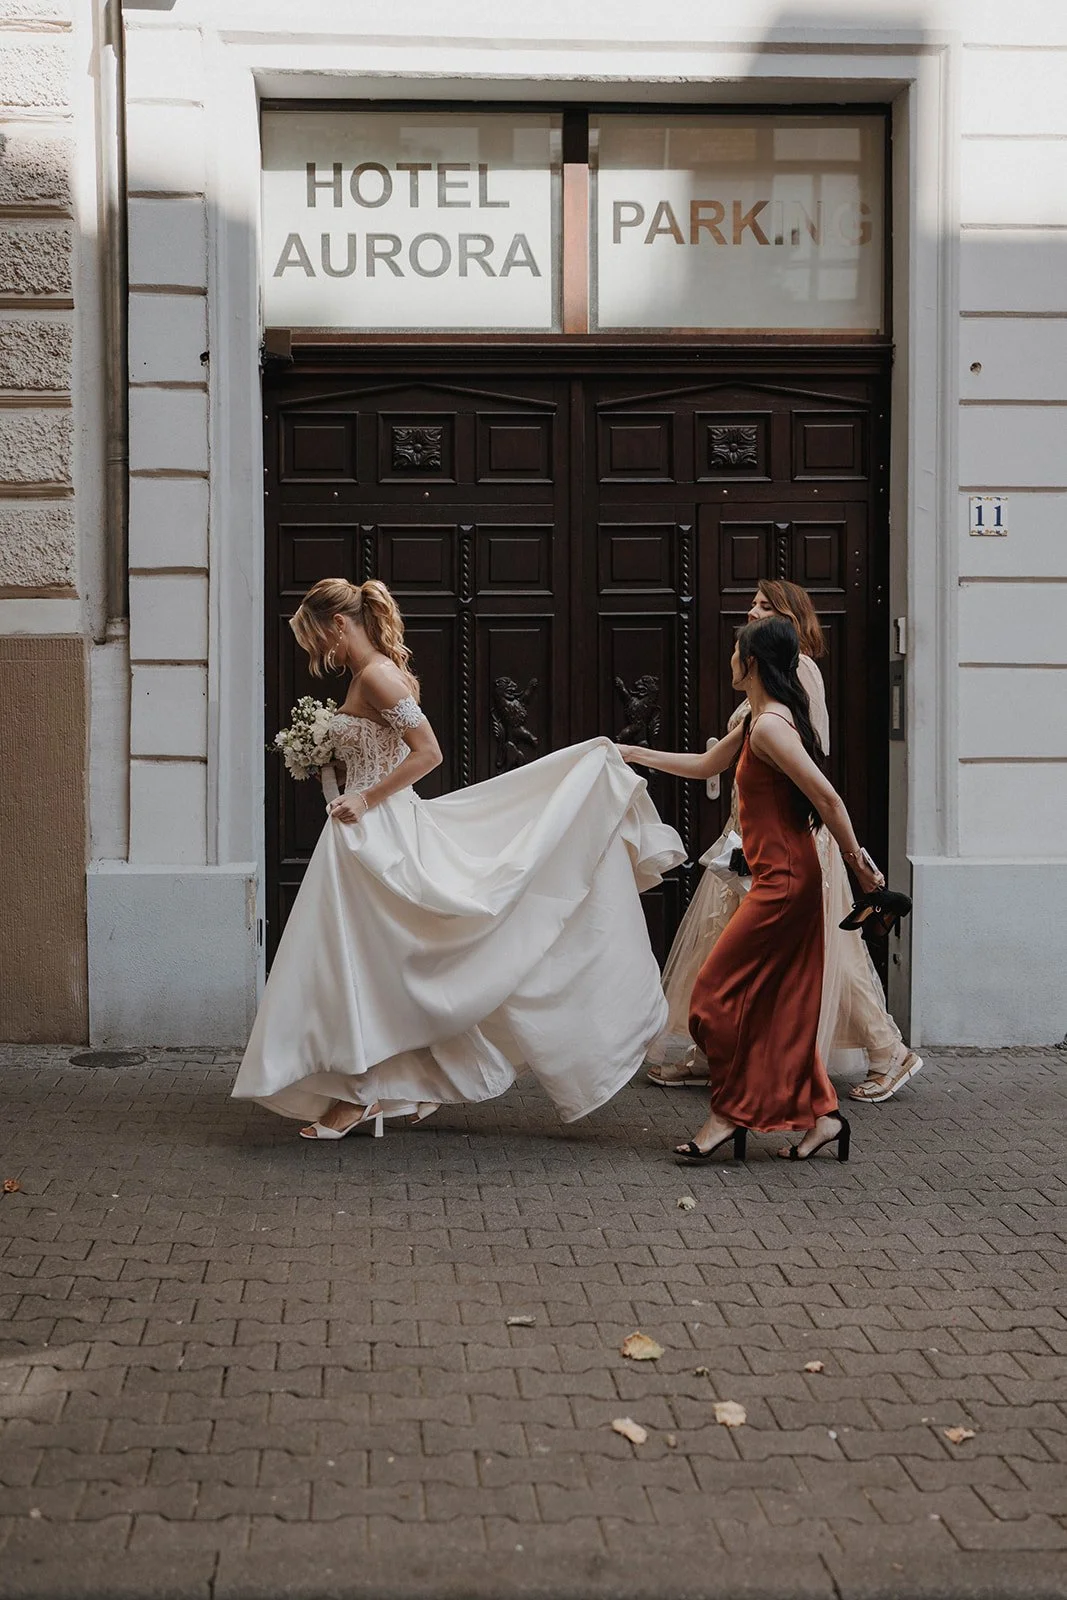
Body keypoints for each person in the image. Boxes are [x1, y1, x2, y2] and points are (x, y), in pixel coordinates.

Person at [232, 577, 684, 1139]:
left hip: (376, 831)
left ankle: (363, 1093)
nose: (316, 651)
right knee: (367, 965)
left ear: (340, 624)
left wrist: (366, 797)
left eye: (317, 638)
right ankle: (392, 1083)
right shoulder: (368, 673)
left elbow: (429, 753)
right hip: (360, 833)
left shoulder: (375, 675)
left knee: (372, 965)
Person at [646, 578, 921, 1105]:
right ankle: (714, 1051)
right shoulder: (764, 688)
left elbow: (809, 766)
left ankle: (889, 1051)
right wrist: (633, 753)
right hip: (745, 836)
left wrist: (852, 859)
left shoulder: (798, 674)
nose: (751, 611)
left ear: (790, 621)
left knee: (832, 953)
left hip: (785, 840)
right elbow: (713, 762)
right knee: (719, 943)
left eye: (764, 606)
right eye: (753, 603)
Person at [620, 617, 884, 1162]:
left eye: (736, 652)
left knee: (713, 998)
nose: (730, 660)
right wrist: (634, 754)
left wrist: (859, 867)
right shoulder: (755, 722)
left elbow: (829, 799)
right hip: (777, 878)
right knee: (780, 1005)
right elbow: (705, 765)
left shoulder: (771, 728)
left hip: (784, 885)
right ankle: (823, 1115)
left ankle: (729, 1112)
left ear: (753, 663)